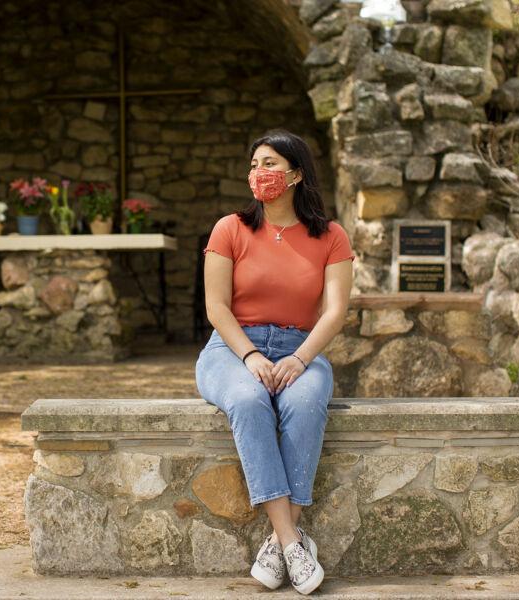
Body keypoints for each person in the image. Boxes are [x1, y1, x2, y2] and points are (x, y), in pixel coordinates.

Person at [194, 129, 354, 595]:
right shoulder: (230, 229)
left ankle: (282, 540)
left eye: (270, 164)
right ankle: (291, 542)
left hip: (301, 349)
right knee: (247, 402)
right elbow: (216, 307)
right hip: (231, 349)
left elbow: (337, 311)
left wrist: (302, 359)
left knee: (304, 406)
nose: (259, 173)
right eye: (255, 165)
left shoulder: (331, 236)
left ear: (296, 174)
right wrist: (249, 354)